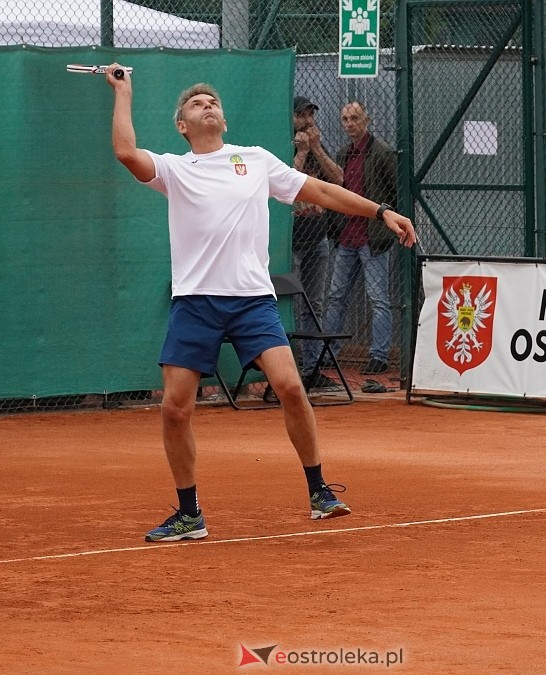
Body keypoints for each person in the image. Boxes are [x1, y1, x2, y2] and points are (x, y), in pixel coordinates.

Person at [104, 67, 417, 542]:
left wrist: (381, 210)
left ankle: (319, 492)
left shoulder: (254, 161)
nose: (207, 104)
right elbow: (126, 152)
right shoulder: (173, 168)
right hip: (195, 303)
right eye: (196, 104)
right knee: (174, 408)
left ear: (224, 121)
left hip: (252, 301)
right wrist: (124, 91)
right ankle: (189, 514)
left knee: (291, 387)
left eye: (213, 101)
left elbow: (322, 191)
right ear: (183, 126)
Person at [301, 101, 398, 380]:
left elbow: (395, 190)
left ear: (366, 119)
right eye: (344, 119)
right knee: (336, 297)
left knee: (378, 298)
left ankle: (379, 356)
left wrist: (386, 227)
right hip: (346, 237)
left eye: (354, 117)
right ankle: (328, 352)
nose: (349, 123)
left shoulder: (381, 153)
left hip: (372, 237)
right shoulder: (343, 154)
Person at [264, 96, 343, 402]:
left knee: (315, 303)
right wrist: (301, 151)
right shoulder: (282, 148)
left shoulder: (315, 147)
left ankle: (312, 369)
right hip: (290, 240)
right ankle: (284, 372)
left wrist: (317, 149)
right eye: (301, 115)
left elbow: (338, 179)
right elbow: (285, 187)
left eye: (310, 115)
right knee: (283, 305)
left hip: (317, 237)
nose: (308, 121)